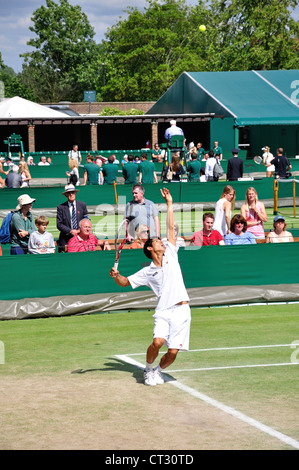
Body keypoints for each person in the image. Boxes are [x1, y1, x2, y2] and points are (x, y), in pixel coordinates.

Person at [110, 187, 191, 387]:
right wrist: (117, 276)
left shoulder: (171, 252)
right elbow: (126, 282)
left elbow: (171, 229)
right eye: (156, 241)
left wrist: (170, 205)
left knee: (173, 352)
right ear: (149, 248)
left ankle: (157, 371)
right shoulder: (147, 271)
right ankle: (148, 370)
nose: (161, 242)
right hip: (164, 311)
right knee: (158, 343)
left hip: (182, 309)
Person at [56, 184, 89, 252]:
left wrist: (79, 231)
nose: (71, 194)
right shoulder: (61, 207)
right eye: (69, 193)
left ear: (75, 193)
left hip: (81, 236)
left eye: (73, 192)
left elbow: (87, 220)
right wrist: (70, 231)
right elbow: (59, 224)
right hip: (66, 238)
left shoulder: (82, 205)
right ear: (66, 195)